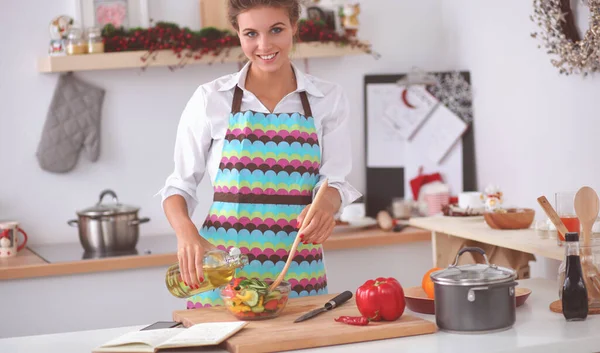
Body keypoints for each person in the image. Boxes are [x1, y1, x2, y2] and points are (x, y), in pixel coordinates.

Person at [159, 0, 361, 309]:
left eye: (276, 30)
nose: (264, 45)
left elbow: (335, 182)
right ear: (237, 33)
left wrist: (327, 206)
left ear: (294, 26)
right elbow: (179, 186)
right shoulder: (211, 99)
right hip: (222, 276)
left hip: (298, 275)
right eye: (251, 33)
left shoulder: (327, 99)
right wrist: (186, 233)